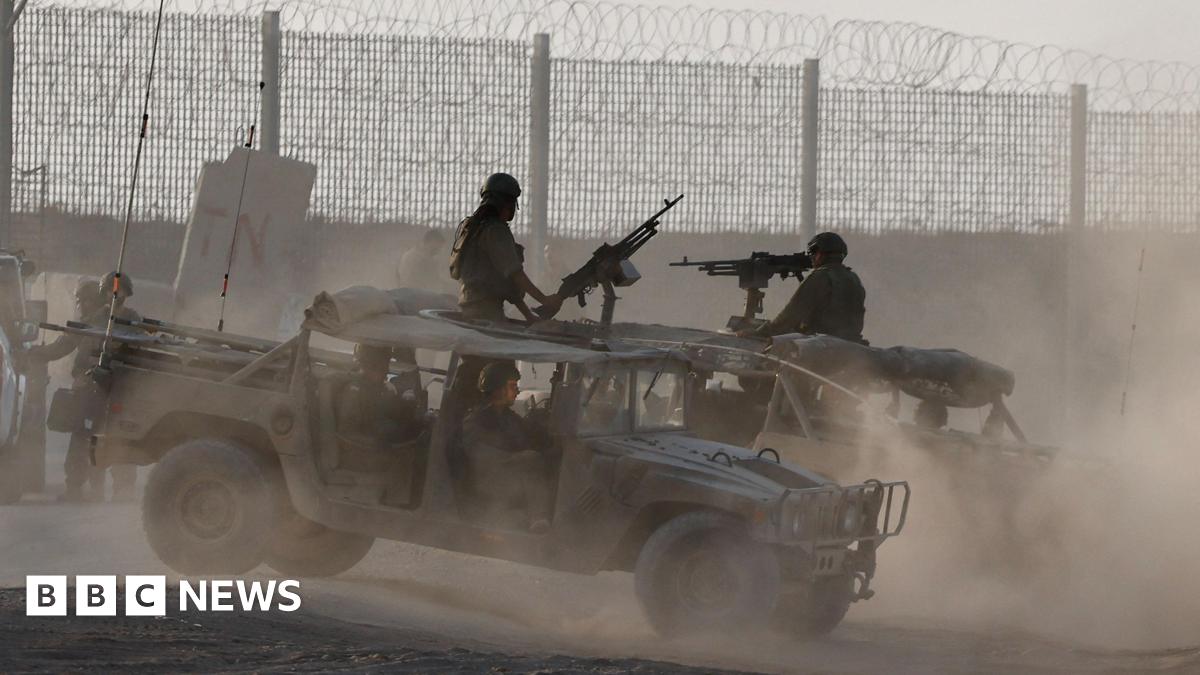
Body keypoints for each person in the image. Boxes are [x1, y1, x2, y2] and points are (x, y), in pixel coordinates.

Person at [30, 273, 142, 502]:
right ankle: (77, 488)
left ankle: (123, 489)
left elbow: (143, 354)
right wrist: (35, 354)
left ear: (127, 294)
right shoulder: (93, 321)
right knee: (82, 439)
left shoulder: (133, 322)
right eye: (111, 290)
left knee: (121, 439)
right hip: (91, 388)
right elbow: (64, 345)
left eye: (119, 291)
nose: (115, 295)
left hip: (120, 389)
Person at [449, 173, 563, 323]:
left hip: (469, 308)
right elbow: (515, 275)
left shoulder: (472, 228)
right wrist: (544, 300)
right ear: (507, 203)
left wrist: (528, 316)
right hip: (487, 312)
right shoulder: (496, 231)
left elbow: (506, 283)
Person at [460, 362, 552, 534]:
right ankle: (538, 517)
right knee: (531, 458)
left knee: (547, 456)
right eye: (512, 386)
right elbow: (476, 453)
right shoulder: (477, 418)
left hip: (509, 475)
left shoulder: (508, 417)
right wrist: (514, 459)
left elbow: (527, 435)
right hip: (488, 479)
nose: (517, 391)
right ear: (497, 389)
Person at [741, 232, 867, 344]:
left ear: (820, 254)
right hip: (851, 345)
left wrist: (759, 332)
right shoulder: (853, 278)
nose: (811, 258)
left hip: (820, 347)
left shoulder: (820, 277)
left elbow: (788, 317)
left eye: (812, 253)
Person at [396, 228, 455, 295]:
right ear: (430, 242)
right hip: (417, 296)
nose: (438, 250)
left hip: (405, 293)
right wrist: (453, 285)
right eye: (437, 247)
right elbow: (433, 281)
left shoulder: (409, 253)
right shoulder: (422, 259)